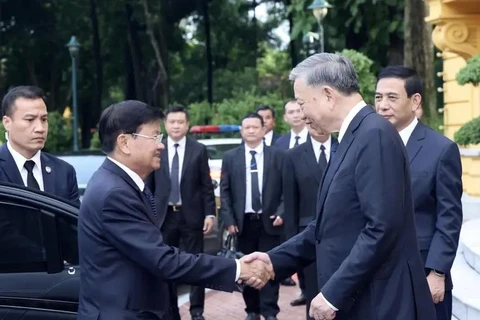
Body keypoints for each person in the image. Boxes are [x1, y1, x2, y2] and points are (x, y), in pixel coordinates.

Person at [243, 53, 436, 320]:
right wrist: (274, 259)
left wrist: (334, 292)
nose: (302, 114)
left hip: (380, 304)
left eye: (302, 103)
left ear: (328, 95)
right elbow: (328, 226)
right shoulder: (352, 137)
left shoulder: (374, 135)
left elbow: (381, 228)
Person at [77, 100, 274, 320]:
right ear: (124, 142)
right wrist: (237, 269)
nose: (161, 145)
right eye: (154, 137)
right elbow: (163, 260)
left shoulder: (120, 183)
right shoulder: (114, 193)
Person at [375, 66, 463, 320]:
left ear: (415, 101)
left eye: (392, 98)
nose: (382, 105)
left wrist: (437, 271)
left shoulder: (441, 150)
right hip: (376, 273)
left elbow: (449, 218)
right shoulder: (368, 145)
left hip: (422, 273)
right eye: (378, 97)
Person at [147, 106, 216, 320]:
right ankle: (169, 308)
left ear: (187, 125)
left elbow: (206, 186)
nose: (176, 126)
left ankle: (197, 311)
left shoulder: (199, 150)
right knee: (165, 264)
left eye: (180, 122)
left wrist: (210, 214)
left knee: (195, 263)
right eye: (172, 122)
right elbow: (149, 185)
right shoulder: (157, 148)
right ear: (165, 126)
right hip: (164, 217)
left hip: (192, 216)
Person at [220, 113, 284, 320]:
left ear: (263, 129)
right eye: (246, 127)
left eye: (255, 127)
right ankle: (252, 310)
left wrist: (282, 212)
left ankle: (270, 310)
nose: (251, 131)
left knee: (269, 268)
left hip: (270, 222)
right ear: (241, 130)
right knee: (246, 267)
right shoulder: (231, 157)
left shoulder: (278, 156)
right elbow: (225, 191)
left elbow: (286, 189)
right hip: (243, 223)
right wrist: (228, 220)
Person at [283, 123, 338, 317]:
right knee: (314, 294)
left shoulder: (345, 148)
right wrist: (292, 246)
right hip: (309, 238)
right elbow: (290, 204)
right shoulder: (293, 156)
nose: (318, 126)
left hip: (342, 234)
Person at [0, 85, 79, 204]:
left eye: (43, 119)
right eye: (30, 119)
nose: (40, 128)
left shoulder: (64, 172)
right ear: (7, 123)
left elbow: (74, 221)